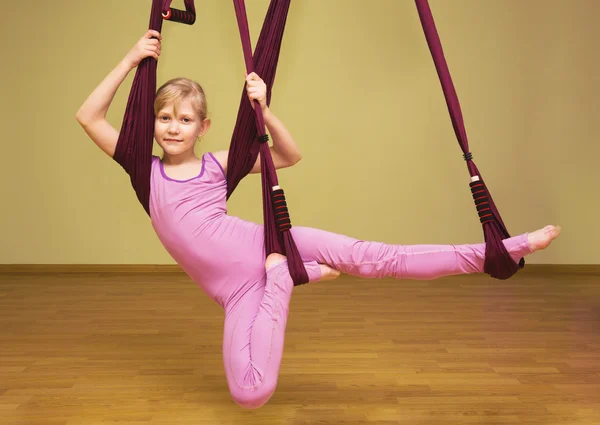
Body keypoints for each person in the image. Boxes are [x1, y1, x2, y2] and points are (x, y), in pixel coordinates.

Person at [75, 30, 561, 409]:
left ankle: (504, 248)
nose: (172, 127)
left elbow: (289, 155)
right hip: (243, 289)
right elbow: (89, 116)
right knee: (250, 393)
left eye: (184, 119)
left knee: (380, 259)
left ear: (203, 128)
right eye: (164, 118)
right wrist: (133, 58)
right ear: (152, 123)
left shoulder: (217, 166)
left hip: (270, 243)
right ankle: (284, 278)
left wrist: (263, 109)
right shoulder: (144, 169)